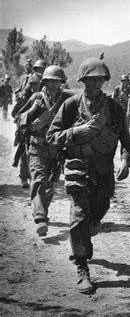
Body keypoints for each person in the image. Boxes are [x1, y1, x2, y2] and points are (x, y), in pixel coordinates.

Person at [46, 58, 130, 294]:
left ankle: (91, 228)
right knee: (79, 215)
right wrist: (76, 132)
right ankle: (82, 267)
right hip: (77, 168)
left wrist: (125, 160)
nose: (95, 83)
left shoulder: (114, 107)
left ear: (104, 81)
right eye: (91, 79)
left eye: (99, 79)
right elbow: (52, 137)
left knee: (98, 210)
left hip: (103, 171)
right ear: (83, 81)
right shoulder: (71, 105)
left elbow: (125, 138)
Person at [16, 66, 73, 236]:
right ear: (45, 82)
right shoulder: (36, 97)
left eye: (57, 81)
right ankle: (40, 217)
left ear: (61, 82)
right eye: (50, 81)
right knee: (39, 180)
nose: (54, 85)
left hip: (56, 150)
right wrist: (32, 111)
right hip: (37, 147)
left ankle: (42, 212)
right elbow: (18, 118)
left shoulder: (67, 100)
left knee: (49, 187)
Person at [12, 72, 43, 189]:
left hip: (39, 130)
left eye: (38, 84)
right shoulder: (25, 96)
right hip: (26, 130)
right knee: (24, 154)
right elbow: (15, 114)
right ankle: (24, 177)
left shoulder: (43, 96)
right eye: (33, 84)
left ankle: (35, 177)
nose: (35, 87)